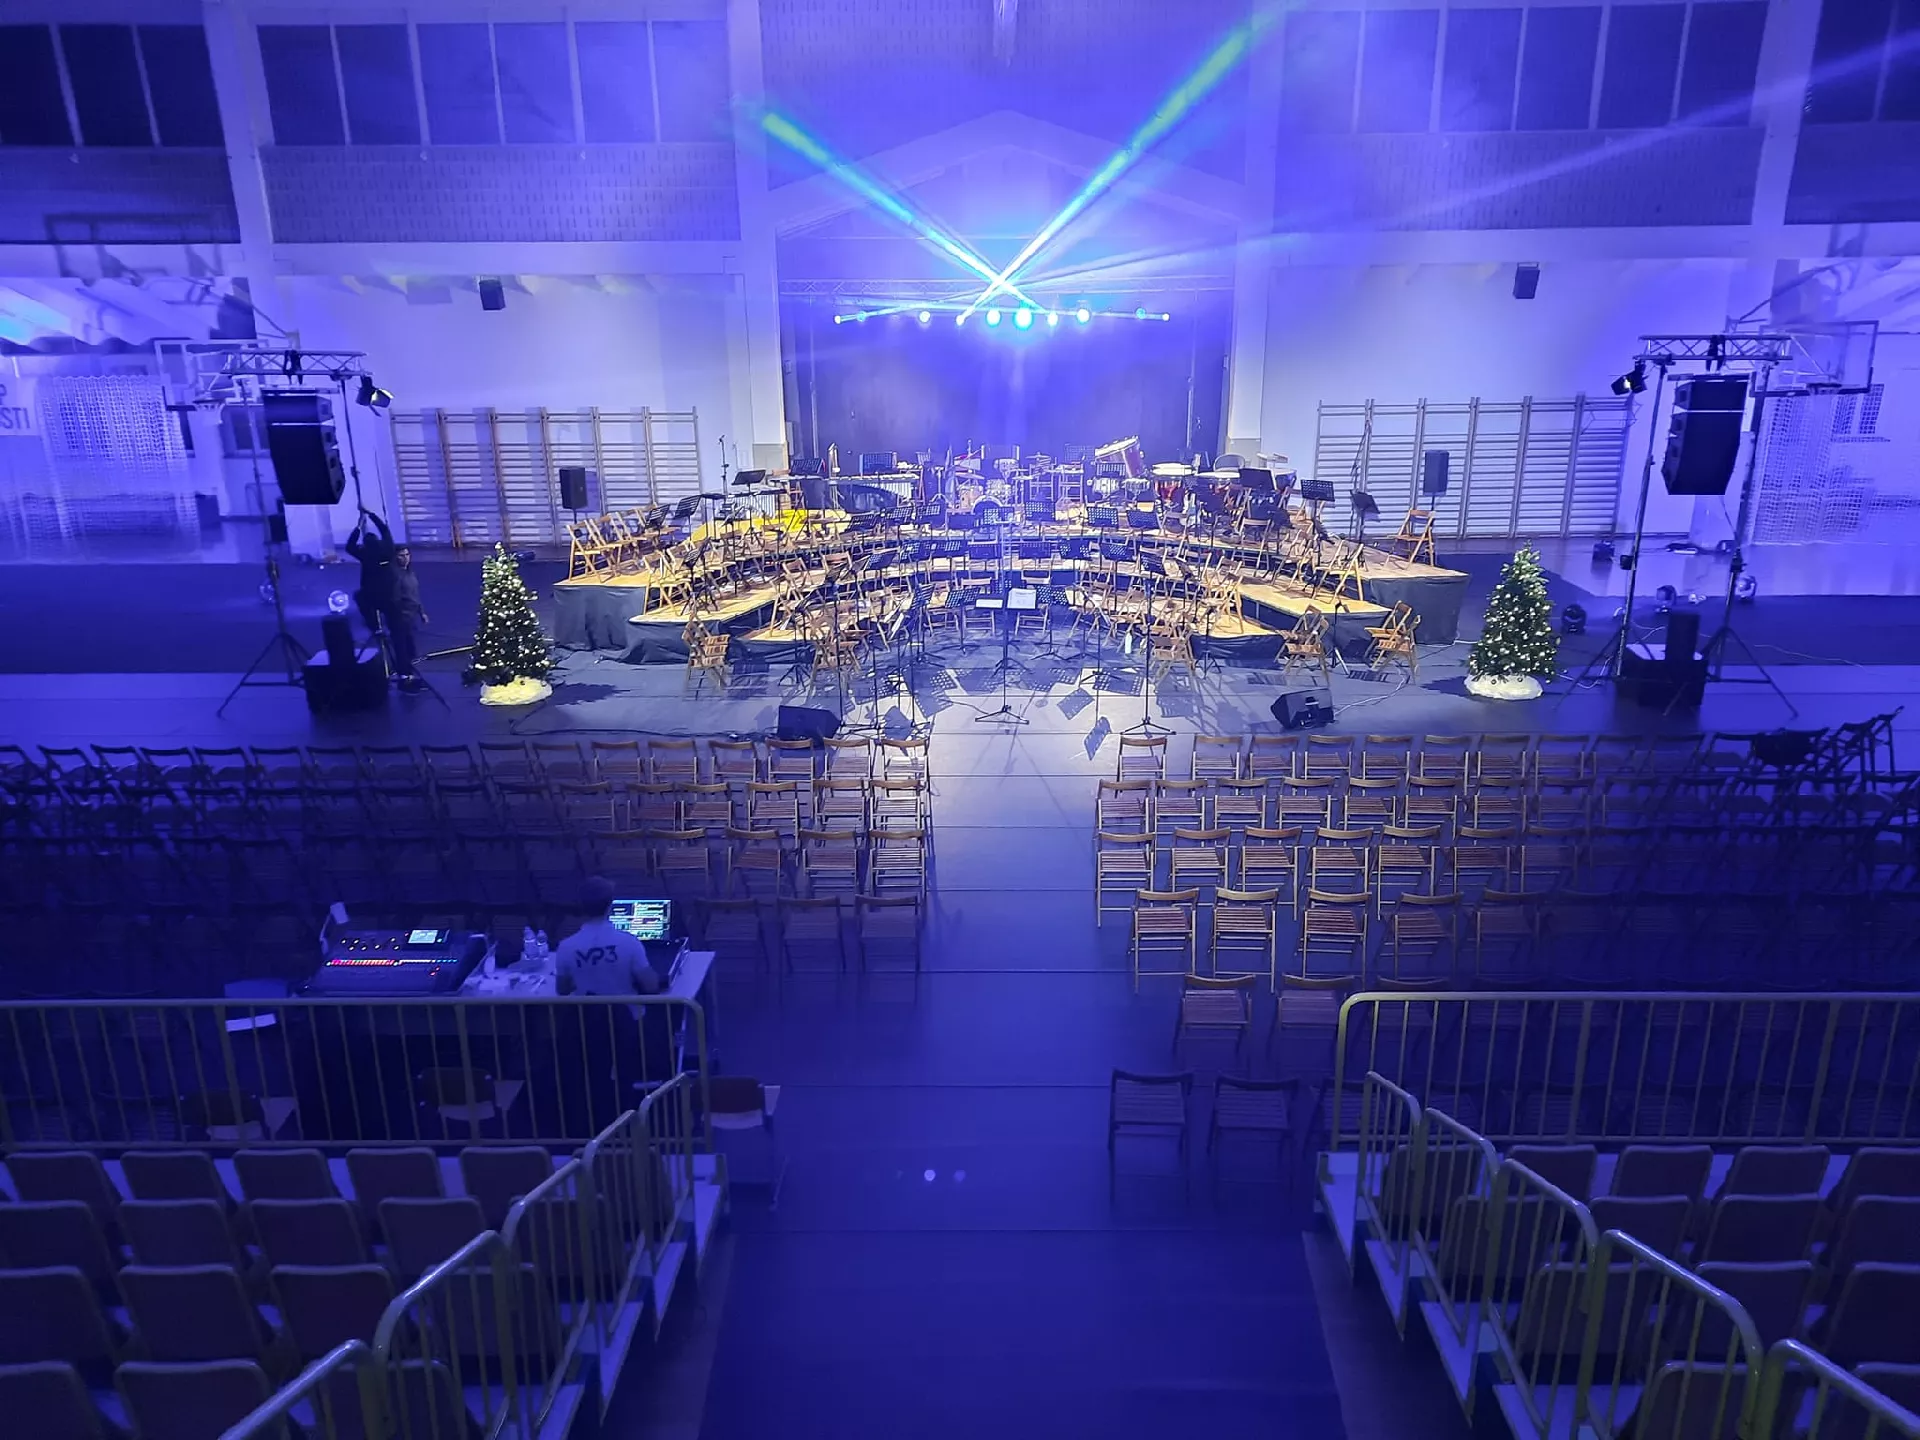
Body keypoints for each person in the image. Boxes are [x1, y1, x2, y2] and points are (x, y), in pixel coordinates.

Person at [555, 876, 667, 1130]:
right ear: (610, 906)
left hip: (584, 1025)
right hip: (626, 1022)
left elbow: (562, 989)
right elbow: (650, 985)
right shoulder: (628, 942)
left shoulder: (566, 947)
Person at [388, 545, 428, 684]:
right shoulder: (394, 576)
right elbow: (394, 598)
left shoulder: (410, 573)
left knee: (410, 647)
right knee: (401, 647)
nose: (405, 558)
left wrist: (422, 613)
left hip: (410, 616)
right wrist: (400, 614)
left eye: (407, 555)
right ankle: (404, 675)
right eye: (401, 555)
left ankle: (409, 671)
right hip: (400, 617)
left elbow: (415, 595)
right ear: (395, 557)